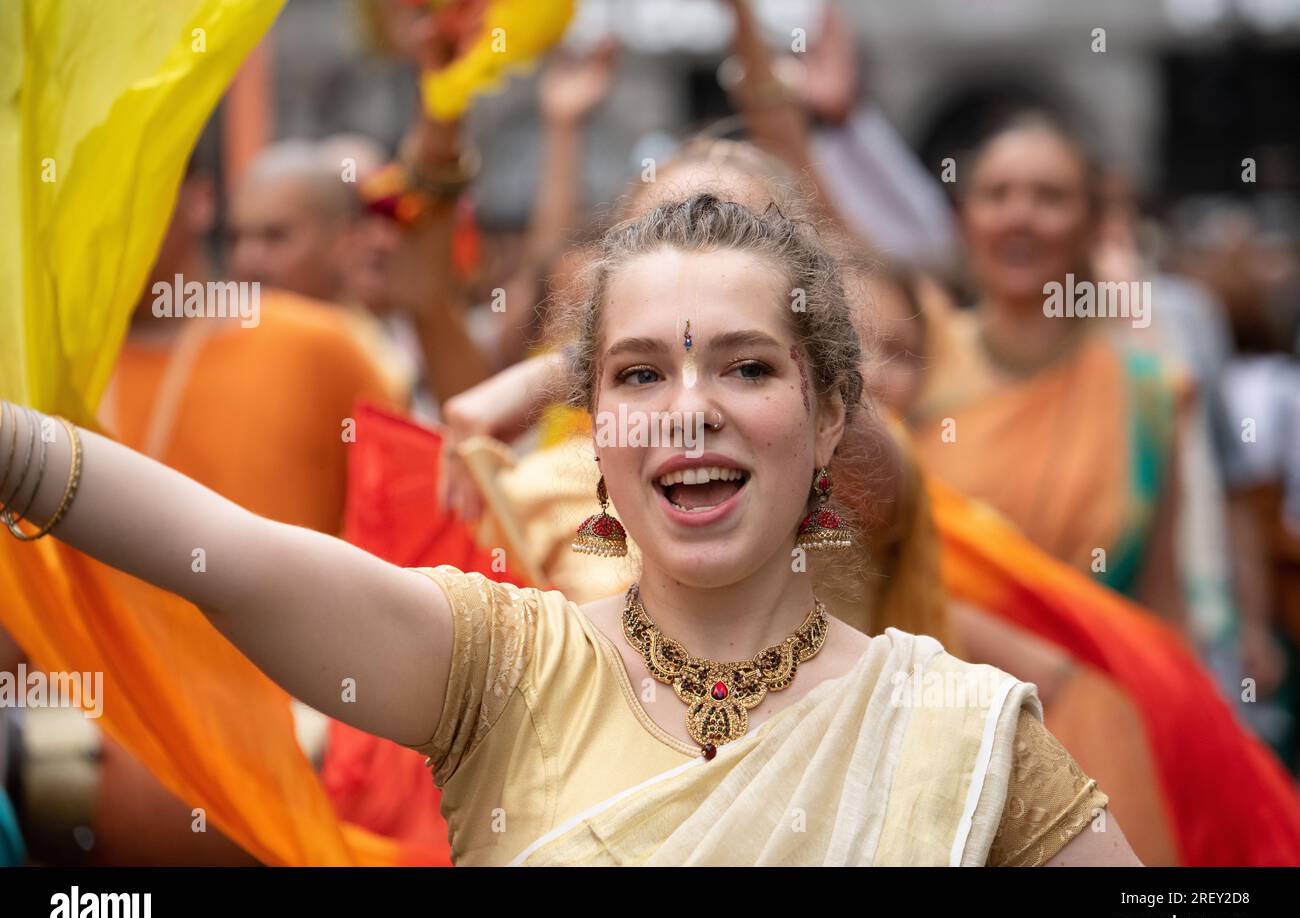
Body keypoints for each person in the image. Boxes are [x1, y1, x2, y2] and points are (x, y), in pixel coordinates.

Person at [0, 193, 1140, 866]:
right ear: (591, 430)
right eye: (638, 375)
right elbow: (226, 552)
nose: (689, 408)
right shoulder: (500, 666)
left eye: (746, 366)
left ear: (831, 410)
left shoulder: (957, 726)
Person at [907, 113, 1187, 629]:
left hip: (1096, 690)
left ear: (1092, 225)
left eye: (1050, 197)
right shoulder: (917, 356)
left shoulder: (1146, 389)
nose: (1020, 217)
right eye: (997, 195)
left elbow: (1161, 591)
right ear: (963, 218)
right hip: (939, 689)